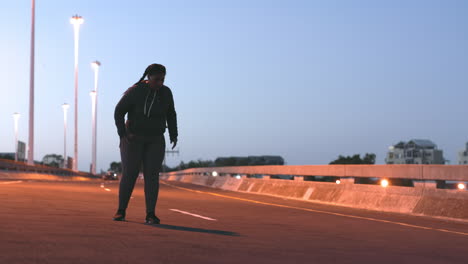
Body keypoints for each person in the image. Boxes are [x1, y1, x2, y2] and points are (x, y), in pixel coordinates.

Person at [112, 63, 178, 224]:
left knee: (152, 176)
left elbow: (171, 114)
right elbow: (119, 111)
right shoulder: (136, 91)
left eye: (162, 80)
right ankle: (121, 211)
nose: (160, 83)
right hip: (133, 138)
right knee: (130, 173)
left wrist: (173, 134)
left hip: (155, 139)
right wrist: (122, 134)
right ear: (149, 78)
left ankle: (150, 214)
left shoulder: (166, 92)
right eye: (157, 80)